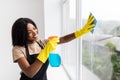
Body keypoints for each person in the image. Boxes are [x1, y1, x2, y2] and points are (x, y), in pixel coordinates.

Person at [11, 15, 95, 80]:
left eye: (34, 28)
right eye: (29, 32)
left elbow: (63, 39)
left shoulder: (41, 43)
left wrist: (81, 32)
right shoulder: (18, 49)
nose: (35, 32)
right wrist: (45, 52)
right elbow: (30, 73)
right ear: (21, 34)